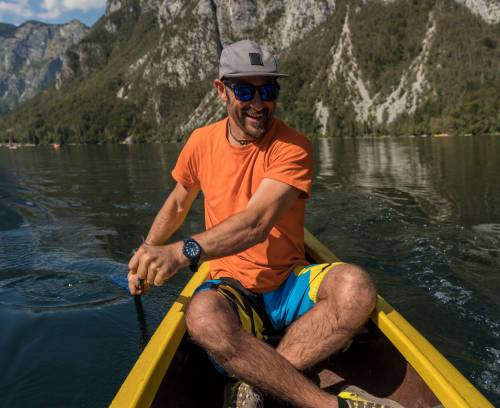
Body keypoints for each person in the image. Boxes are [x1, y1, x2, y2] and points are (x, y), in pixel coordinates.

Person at [127, 40, 403, 408]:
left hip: (287, 283)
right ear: (221, 90)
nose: (259, 103)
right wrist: (145, 254)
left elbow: (256, 223)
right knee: (203, 315)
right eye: (245, 90)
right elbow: (178, 203)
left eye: (268, 90)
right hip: (233, 288)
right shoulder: (200, 143)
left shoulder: (293, 146)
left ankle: (257, 382)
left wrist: (183, 251)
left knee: (356, 289)